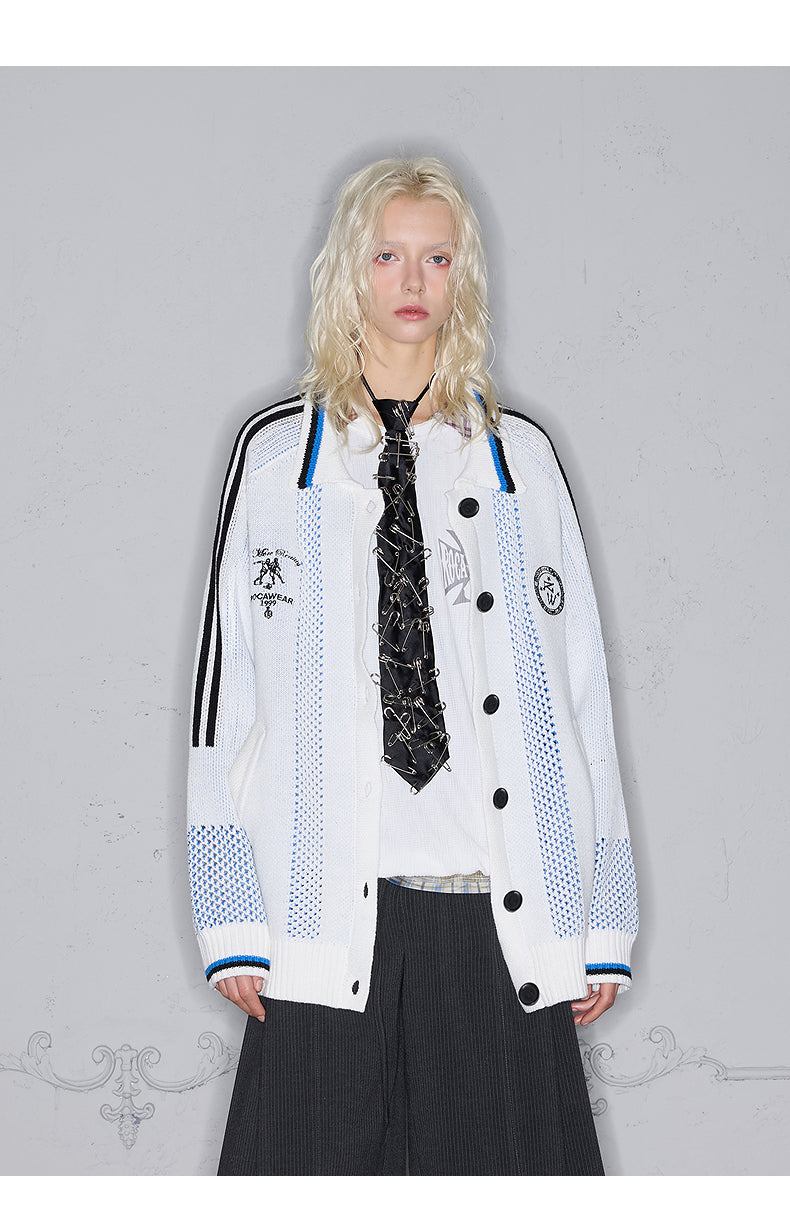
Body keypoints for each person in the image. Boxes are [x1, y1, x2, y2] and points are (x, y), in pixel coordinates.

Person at [187, 155, 638, 1176]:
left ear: (462, 276)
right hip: (322, 910)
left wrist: (604, 913)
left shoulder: (518, 458)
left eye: (437, 257)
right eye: (387, 254)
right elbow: (225, 698)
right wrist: (228, 912)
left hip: (495, 908)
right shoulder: (276, 456)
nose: (412, 280)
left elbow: (581, 692)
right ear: (348, 269)